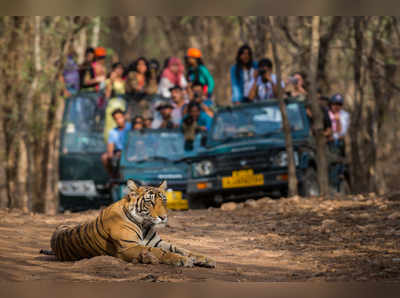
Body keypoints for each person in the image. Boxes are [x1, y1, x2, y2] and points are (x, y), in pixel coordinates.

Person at [101, 109, 131, 177]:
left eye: (120, 117)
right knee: (104, 157)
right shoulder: (113, 132)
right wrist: (113, 156)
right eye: (116, 119)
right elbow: (110, 150)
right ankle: (113, 177)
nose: (118, 120)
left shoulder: (131, 127)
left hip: (131, 151)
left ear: (124, 117)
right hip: (119, 153)